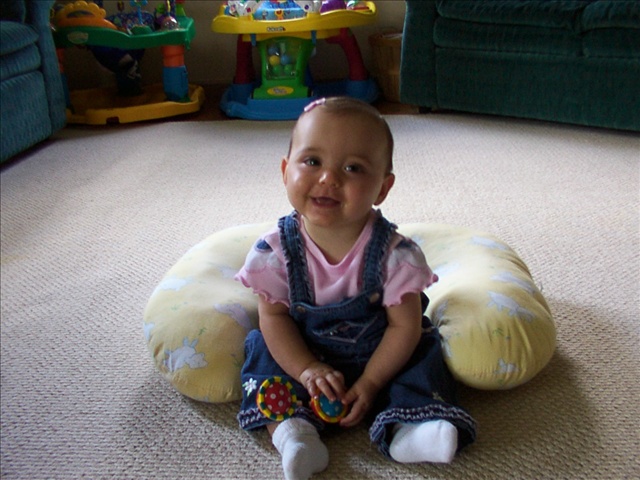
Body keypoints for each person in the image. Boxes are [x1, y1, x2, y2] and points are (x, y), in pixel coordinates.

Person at [235, 96, 476, 480]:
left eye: (353, 168)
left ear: (383, 188)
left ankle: (411, 427)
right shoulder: (274, 253)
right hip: (303, 355)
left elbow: (403, 326)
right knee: (261, 346)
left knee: (424, 346)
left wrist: (372, 381)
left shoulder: (396, 255)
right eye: (312, 161)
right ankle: (294, 433)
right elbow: (274, 318)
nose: (328, 178)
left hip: (381, 355)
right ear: (285, 171)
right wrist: (307, 370)